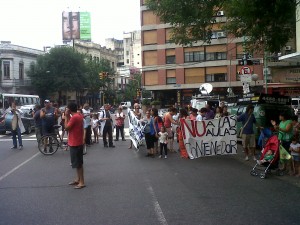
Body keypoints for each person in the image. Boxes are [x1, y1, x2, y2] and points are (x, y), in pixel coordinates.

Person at [64, 102, 85, 189]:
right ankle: (78, 179)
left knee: (78, 163)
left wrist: (66, 116)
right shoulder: (78, 115)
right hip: (77, 141)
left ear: (69, 109)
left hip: (75, 142)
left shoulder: (75, 117)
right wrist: (68, 116)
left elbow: (66, 128)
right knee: (77, 163)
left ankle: (82, 182)